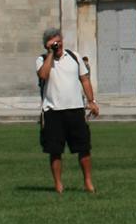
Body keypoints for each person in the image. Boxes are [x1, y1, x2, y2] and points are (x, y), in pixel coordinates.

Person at [36, 26, 100, 194]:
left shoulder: (74, 56)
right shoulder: (42, 59)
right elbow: (43, 75)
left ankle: (88, 181)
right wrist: (50, 53)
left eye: (59, 42)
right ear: (47, 46)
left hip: (76, 109)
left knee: (84, 148)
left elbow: (84, 79)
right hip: (53, 111)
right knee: (55, 150)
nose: (57, 46)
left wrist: (92, 101)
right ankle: (58, 184)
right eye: (53, 44)